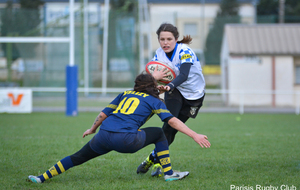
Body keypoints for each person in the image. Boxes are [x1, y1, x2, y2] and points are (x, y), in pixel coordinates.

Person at [27, 73, 210, 184]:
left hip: (104, 135)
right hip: (127, 140)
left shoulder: (125, 93)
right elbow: (171, 121)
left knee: (77, 157)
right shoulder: (155, 101)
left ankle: (42, 178)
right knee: (159, 133)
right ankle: (169, 174)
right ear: (153, 87)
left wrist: (92, 129)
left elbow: (104, 113)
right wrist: (194, 135)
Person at [137, 23, 206, 177]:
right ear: (158, 40)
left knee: (173, 130)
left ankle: (151, 158)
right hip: (174, 91)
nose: (165, 42)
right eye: (162, 39)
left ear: (176, 39)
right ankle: (159, 163)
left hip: (194, 95)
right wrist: (159, 84)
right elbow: (156, 75)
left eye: (169, 39)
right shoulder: (158, 54)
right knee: (169, 124)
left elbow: (184, 74)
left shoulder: (185, 51)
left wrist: (169, 85)